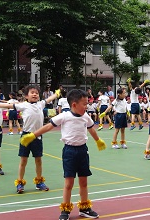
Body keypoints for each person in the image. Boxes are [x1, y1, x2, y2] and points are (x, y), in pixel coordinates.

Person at [19, 89, 106, 220]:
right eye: (84, 104)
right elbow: (48, 126)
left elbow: (91, 129)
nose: (86, 106)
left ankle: (84, 208)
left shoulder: (86, 116)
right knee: (69, 183)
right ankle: (65, 209)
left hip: (83, 151)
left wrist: (98, 140)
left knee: (83, 181)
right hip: (69, 152)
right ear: (74, 104)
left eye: (87, 103)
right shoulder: (64, 116)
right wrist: (33, 135)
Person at [0, 85, 59, 193]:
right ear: (26, 96)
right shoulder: (23, 105)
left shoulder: (40, 104)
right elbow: (9, 105)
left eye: (36, 92)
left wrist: (56, 94)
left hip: (37, 136)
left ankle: (39, 182)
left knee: (38, 160)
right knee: (23, 160)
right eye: (32, 92)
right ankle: (20, 183)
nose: (35, 94)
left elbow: (49, 99)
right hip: (26, 136)